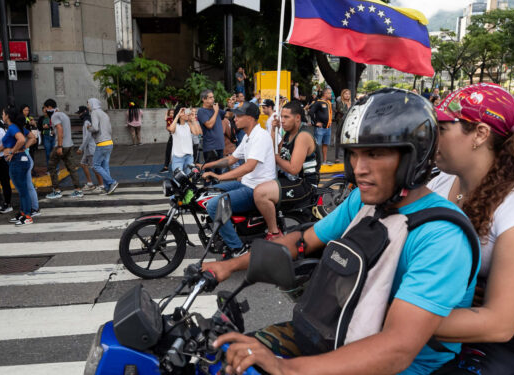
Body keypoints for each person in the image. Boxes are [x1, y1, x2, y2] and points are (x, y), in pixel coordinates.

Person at [203, 88, 478, 375]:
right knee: (229, 358)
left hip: (395, 366)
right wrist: (228, 266)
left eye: (374, 154)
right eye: (355, 155)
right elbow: (303, 240)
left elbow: (397, 348)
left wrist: (287, 369)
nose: (359, 168)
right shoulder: (364, 201)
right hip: (336, 331)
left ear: (415, 157)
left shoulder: (442, 236)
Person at [429, 84, 514, 375]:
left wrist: (392, 318)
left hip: (508, 347)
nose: (431, 137)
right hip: (443, 331)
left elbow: (500, 324)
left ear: (480, 134)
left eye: (441, 128)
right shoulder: (439, 183)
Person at [201, 102, 276, 254]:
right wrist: (204, 166)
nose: (235, 119)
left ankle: (236, 248)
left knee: (214, 206)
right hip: (246, 184)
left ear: (250, 118)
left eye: (239, 115)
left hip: (255, 189)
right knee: (208, 192)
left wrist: (219, 176)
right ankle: (227, 230)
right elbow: (231, 159)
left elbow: (249, 166)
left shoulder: (260, 137)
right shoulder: (249, 137)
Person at [253, 100, 319, 240]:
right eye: (281, 117)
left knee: (260, 193)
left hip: (304, 184)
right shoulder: (288, 134)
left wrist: (276, 157)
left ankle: (274, 233)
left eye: (286, 117)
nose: (282, 120)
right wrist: (272, 130)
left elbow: (294, 169)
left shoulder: (303, 136)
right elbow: (275, 150)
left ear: (297, 118)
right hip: (289, 179)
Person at [1, 107, 36, 225]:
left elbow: (21, 140)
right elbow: (32, 138)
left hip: (17, 160)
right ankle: (22, 213)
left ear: (7, 116)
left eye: (3, 113)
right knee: (22, 189)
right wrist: (24, 148)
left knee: (22, 190)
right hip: (21, 159)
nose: (2, 115)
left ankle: (27, 216)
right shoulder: (18, 127)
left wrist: (12, 151)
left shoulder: (12, 127)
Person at [44, 99, 84, 199]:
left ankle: (56, 190)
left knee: (51, 166)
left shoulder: (54, 116)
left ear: (49, 107)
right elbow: (63, 129)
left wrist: (60, 146)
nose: (44, 110)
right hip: (69, 145)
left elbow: (60, 128)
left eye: (45, 108)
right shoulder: (63, 115)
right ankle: (78, 190)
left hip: (61, 146)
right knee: (71, 168)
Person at [88, 98, 119, 195]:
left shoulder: (94, 113)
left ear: (93, 104)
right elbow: (109, 129)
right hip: (109, 142)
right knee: (105, 166)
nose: (88, 106)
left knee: (96, 165)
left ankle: (111, 182)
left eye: (88, 104)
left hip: (101, 143)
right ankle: (108, 187)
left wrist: (89, 128)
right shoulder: (104, 113)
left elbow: (95, 128)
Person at [197, 89, 228, 175]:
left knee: (218, 174)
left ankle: (216, 188)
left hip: (220, 146)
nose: (213, 99)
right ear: (204, 99)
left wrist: (231, 106)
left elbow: (229, 115)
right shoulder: (201, 111)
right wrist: (216, 112)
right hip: (210, 147)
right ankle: (208, 188)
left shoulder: (216, 110)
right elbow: (209, 125)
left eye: (213, 97)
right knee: (210, 174)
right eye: (210, 97)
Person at [76, 106, 104, 193]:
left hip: (91, 148)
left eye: (80, 113)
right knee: (83, 164)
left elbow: (87, 137)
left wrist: (81, 148)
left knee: (94, 167)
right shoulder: (88, 120)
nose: (79, 115)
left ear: (84, 112)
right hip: (88, 149)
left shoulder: (87, 121)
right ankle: (90, 183)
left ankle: (101, 185)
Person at [167, 106, 202, 175]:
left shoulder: (188, 124)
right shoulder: (175, 126)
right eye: (184, 112)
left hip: (189, 157)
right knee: (178, 180)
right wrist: (177, 115)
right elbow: (171, 129)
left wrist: (193, 119)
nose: (187, 114)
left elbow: (197, 133)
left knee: (189, 180)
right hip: (177, 157)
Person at [308, 88, 333, 164]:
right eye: (329, 93)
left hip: (328, 128)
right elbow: (311, 112)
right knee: (316, 145)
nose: (330, 94)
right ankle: (314, 161)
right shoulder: (318, 102)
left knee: (325, 144)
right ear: (324, 94)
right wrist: (315, 123)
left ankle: (324, 161)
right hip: (320, 128)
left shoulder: (328, 102)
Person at [332, 88, 353, 164]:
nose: (347, 95)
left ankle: (348, 156)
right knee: (339, 139)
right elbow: (341, 111)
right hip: (341, 123)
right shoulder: (339, 102)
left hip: (350, 124)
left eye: (349, 94)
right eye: (346, 94)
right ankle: (337, 157)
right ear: (342, 95)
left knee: (349, 140)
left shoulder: (352, 103)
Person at [38, 105, 54, 171]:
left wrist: (50, 127)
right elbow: (39, 127)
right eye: (44, 111)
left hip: (53, 137)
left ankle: (56, 168)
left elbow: (56, 125)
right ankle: (49, 169)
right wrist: (43, 127)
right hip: (45, 137)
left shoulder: (52, 117)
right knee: (48, 154)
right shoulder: (41, 118)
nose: (45, 112)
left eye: (46, 111)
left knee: (54, 154)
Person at [161, 108, 175, 172]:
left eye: (173, 113)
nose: (172, 114)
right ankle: (166, 166)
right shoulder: (169, 119)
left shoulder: (177, 119)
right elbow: (165, 119)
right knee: (168, 151)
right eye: (170, 113)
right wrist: (166, 113)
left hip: (177, 137)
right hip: (172, 136)